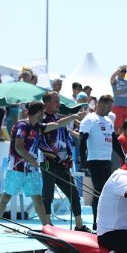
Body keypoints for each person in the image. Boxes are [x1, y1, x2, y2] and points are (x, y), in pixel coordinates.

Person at [0, 101, 78, 235]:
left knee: (37, 199)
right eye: (42, 112)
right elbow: (19, 147)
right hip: (16, 169)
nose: (44, 115)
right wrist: (32, 160)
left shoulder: (38, 127)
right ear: (38, 113)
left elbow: (57, 124)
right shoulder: (21, 125)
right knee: (6, 197)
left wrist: (73, 117)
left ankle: (47, 229)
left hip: (31, 171)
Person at [39, 92, 91, 232]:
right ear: (46, 103)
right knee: (47, 194)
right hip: (49, 162)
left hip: (63, 164)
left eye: (58, 100)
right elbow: (42, 143)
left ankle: (79, 225)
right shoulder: (41, 118)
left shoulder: (59, 117)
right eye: (55, 101)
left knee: (73, 193)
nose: (58, 104)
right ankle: (48, 225)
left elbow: (66, 138)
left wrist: (68, 156)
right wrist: (56, 158)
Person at [79, 94, 126, 231]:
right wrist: (83, 159)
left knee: (107, 192)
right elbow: (82, 141)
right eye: (108, 107)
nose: (110, 110)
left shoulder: (108, 120)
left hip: (106, 160)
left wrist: (124, 156)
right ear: (99, 104)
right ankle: (96, 222)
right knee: (99, 191)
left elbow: (114, 142)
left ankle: (105, 220)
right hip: (94, 161)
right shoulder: (89, 119)